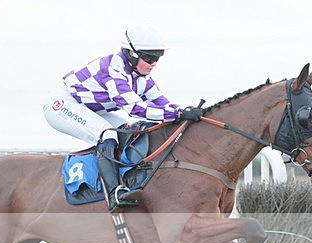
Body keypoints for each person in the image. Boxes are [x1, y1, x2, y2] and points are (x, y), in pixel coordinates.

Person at [44, 25, 204, 212]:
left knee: (131, 131)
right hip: (64, 104)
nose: (153, 64)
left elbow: (162, 104)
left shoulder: (141, 77)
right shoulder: (114, 68)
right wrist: (177, 114)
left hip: (93, 108)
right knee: (107, 134)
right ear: (130, 53)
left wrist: (184, 112)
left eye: (157, 59)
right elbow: (135, 108)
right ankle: (113, 194)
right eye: (149, 58)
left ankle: (127, 181)